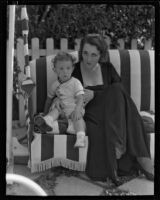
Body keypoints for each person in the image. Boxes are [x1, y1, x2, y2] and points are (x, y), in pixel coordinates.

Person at [71, 34, 154, 185]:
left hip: (112, 111)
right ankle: (141, 157)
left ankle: (117, 144)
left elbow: (121, 95)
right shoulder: (75, 70)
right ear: (81, 51)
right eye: (85, 53)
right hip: (92, 112)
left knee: (116, 89)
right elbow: (70, 95)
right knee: (124, 104)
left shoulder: (107, 68)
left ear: (101, 55)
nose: (88, 59)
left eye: (93, 55)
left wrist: (95, 94)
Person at [34, 51, 86, 148]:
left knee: (78, 120)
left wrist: (78, 110)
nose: (65, 71)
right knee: (55, 109)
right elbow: (48, 100)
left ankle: (80, 137)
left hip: (74, 109)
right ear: (55, 70)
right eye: (61, 69)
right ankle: (47, 120)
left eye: (68, 68)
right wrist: (45, 113)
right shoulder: (54, 85)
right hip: (62, 111)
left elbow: (80, 98)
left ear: (72, 69)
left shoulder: (75, 82)